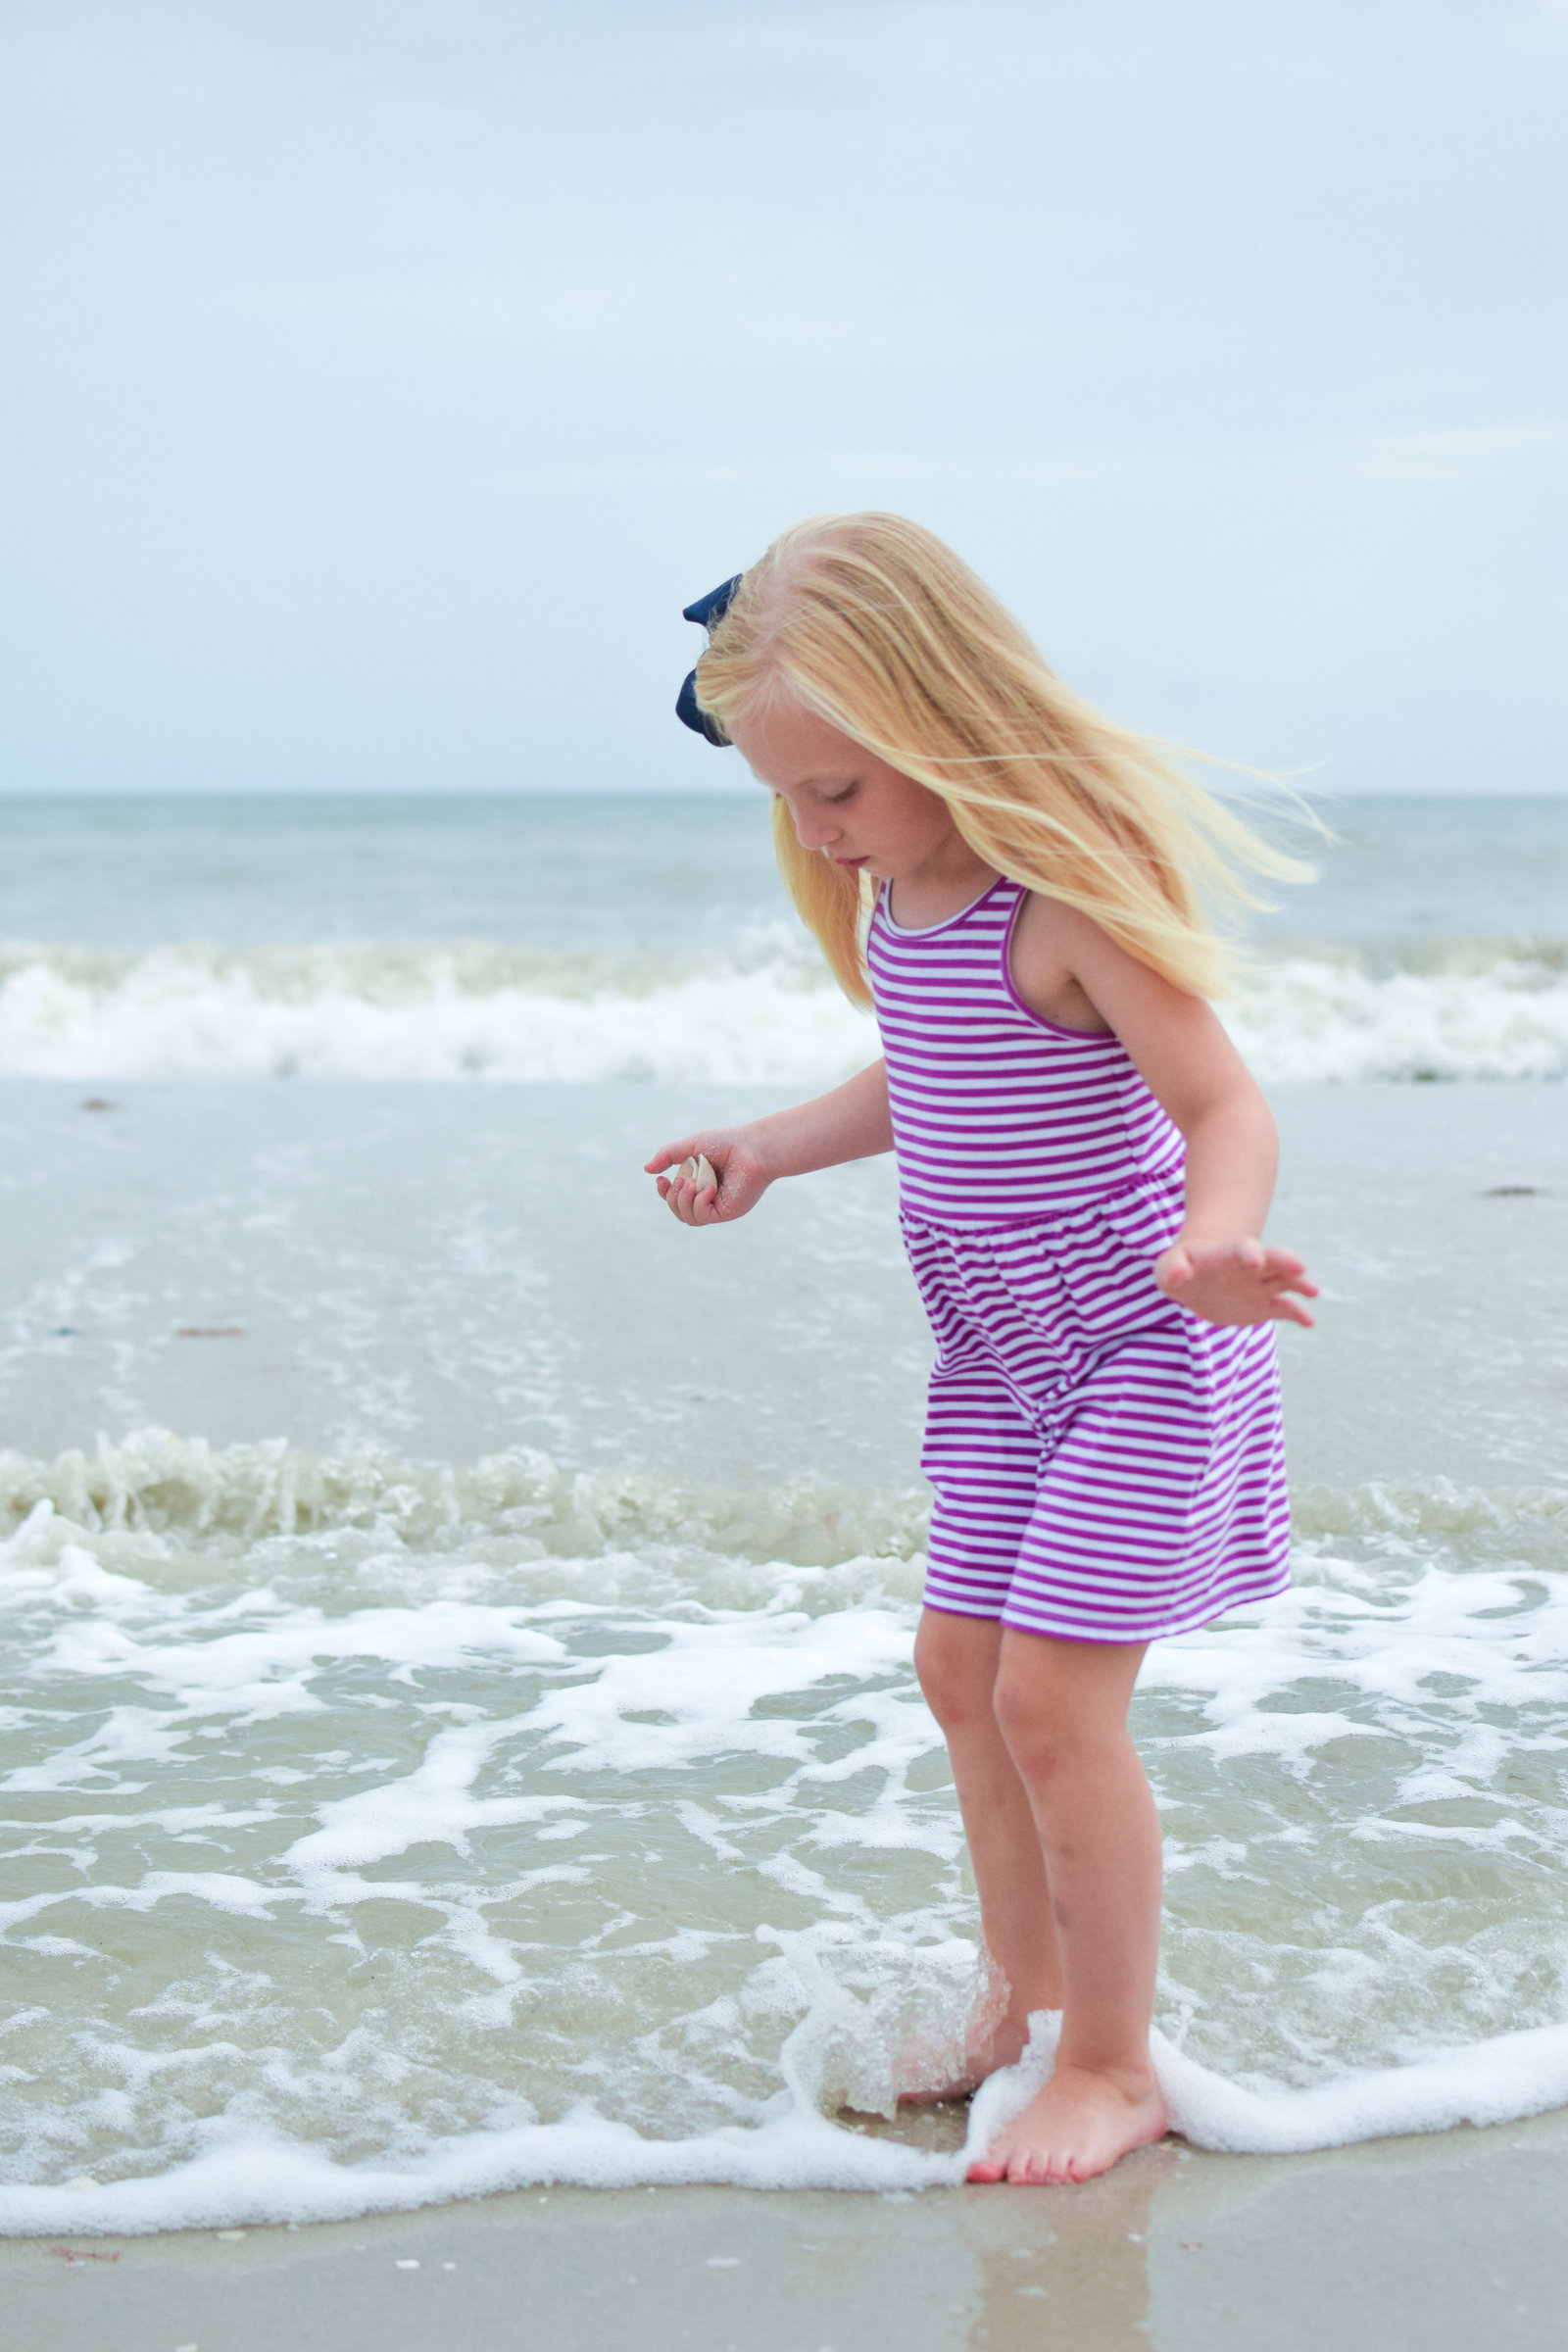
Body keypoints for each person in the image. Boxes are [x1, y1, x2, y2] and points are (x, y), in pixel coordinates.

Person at [647, 514, 1316, 2186]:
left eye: (840, 790)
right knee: (961, 1675)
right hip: (1001, 1356)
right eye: (790, 798)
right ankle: (1020, 2012)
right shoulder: (901, 896)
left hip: (1146, 1338)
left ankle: (1110, 2061)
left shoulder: (1066, 902)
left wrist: (1218, 1243)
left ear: (943, 724)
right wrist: (771, 1146)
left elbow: (1223, 1101)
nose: (817, 827)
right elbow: (932, 1079)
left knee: (1050, 1702)